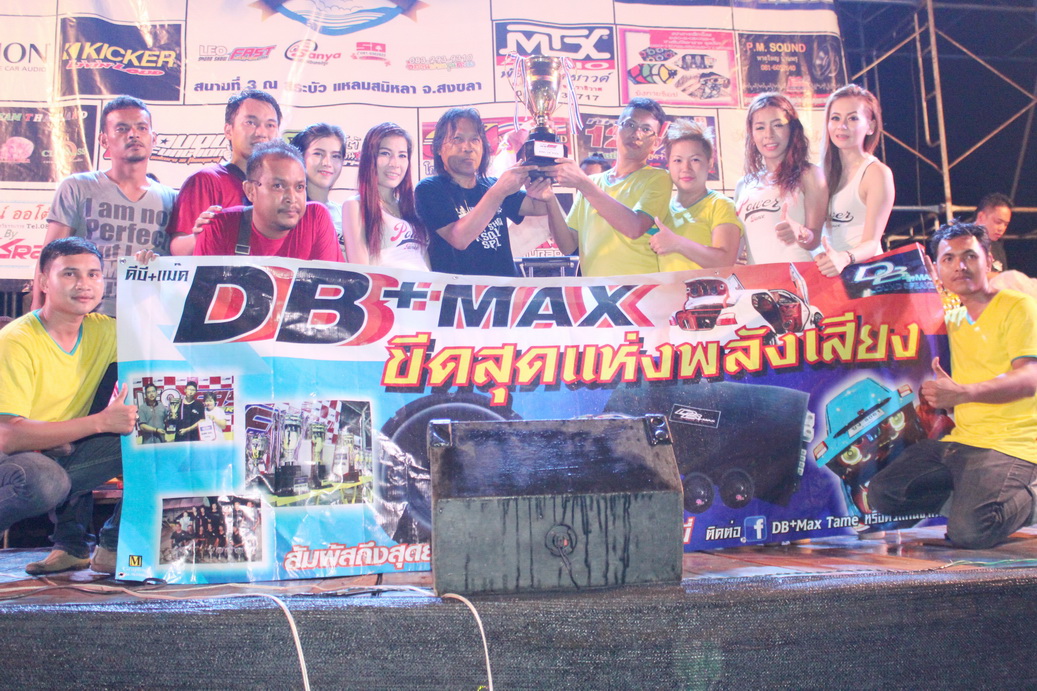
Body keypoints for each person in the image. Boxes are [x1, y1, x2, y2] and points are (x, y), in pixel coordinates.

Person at [869, 222, 1037, 549]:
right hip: (963, 442)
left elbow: (1030, 378)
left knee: (971, 533)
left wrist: (963, 393)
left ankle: (1023, 494)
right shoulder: (951, 320)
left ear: (989, 260)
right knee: (882, 494)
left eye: (970, 256)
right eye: (949, 259)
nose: (960, 266)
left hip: (1014, 445)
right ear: (937, 268)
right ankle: (972, 502)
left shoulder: (1019, 307)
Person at [0, 237, 137, 575]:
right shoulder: (17, 340)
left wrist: (151, 274)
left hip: (58, 454)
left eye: (93, 274)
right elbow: (8, 436)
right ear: (44, 282)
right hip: (14, 461)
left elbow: (164, 334)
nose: (84, 284)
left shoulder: (104, 331)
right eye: (70, 274)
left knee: (158, 433)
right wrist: (100, 422)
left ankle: (112, 547)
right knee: (44, 481)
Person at [37, 95, 176, 316]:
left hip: (147, 319)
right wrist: (38, 315)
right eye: (122, 128)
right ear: (103, 140)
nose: (133, 134)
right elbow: (49, 259)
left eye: (141, 128)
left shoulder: (173, 198)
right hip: (83, 317)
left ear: (154, 138)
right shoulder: (77, 187)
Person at [415, 107, 562, 277]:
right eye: (457, 139)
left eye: (475, 139)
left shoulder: (491, 184)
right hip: (459, 292)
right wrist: (498, 192)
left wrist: (541, 159)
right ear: (439, 148)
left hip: (506, 290)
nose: (468, 147)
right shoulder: (429, 189)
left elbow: (539, 207)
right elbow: (459, 239)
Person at [543, 97, 673, 276]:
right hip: (594, 290)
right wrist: (549, 199)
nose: (636, 134)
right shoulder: (592, 182)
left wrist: (584, 184)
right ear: (615, 131)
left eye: (646, 129)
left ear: (656, 143)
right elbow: (567, 246)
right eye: (630, 124)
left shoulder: (659, 178)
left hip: (639, 290)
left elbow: (634, 227)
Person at [168, 89, 282, 255]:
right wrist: (199, 237)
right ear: (228, 130)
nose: (261, 133)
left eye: (270, 125)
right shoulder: (206, 180)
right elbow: (177, 249)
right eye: (250, 122)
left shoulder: (285, 188)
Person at [192, 141, 345, 261]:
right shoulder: (218, 226)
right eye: (278, 186)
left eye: (299, 187)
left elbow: (331, 287)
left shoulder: (316, 218)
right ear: (250, 191)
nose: (292, 198)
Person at [734, 93, 826, 266]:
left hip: (799, 276)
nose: (768, 135)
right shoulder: (743, 185)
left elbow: (814, 240)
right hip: (758, 279)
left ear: (792, 129)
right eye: (760, 127)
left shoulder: (810, 174)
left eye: (777, 125)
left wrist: (801, 233)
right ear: (751, 134)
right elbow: (735, 249)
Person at [815, 84, 895, 277]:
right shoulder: (818, 172)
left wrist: (844, 258)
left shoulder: (876, 173)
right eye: (835, 118)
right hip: (828, 276)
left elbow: (871, 243)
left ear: (870, 126)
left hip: (867, 276)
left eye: (852, 118)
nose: (842, 126)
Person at [650, 118, 743, 272]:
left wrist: (677, 243)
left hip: (708, 288)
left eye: (694, 160)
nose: (685, 168)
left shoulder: (720, 205)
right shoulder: (663, 209)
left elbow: (725, 261)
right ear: (668, 164)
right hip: (668, 288)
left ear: (710, 162)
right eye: (678, 160)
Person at [342, 123, 429, 270]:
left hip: (423, 284)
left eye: (402, 155)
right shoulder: (355, 205)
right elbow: (361, 271)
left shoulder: (411, 209)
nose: (395, 163)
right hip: (388, 284)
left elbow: (426, 266)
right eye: (385, 153)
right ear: (370, 158)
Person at [289, 122, 346, 251]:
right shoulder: (288, 211)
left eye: (335, 156)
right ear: (300, 157)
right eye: (318, 154)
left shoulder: (346, 214)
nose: (327, 163)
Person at [975, 192, 1013, 272]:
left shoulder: (997, 248)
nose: (1001, 228)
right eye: (998, 222)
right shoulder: (961, 243)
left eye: (1006, 224)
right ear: (981, 217)